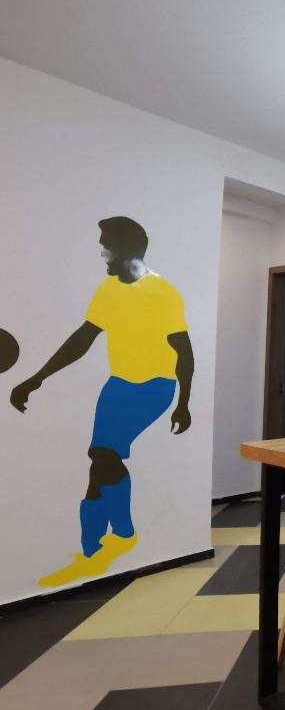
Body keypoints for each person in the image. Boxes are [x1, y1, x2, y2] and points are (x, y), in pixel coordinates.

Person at [10, 216, 193, 587]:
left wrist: (183, 403)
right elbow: (81, 340)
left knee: (104, 455)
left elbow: (184, 352)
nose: (102, 251)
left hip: (155, 387)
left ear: (126, 248)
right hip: (118, 385)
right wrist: (36, 379)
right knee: (99, 461)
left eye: (106, 244)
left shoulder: (163, 293)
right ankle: (100, 545)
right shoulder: (108, 290)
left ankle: (112, 538)